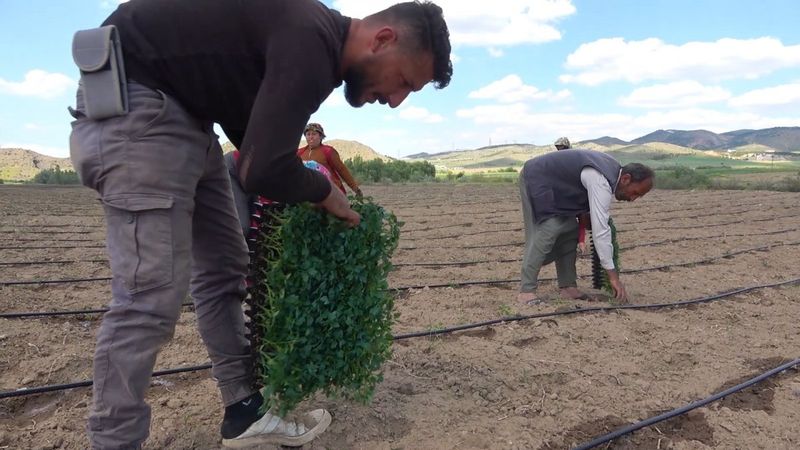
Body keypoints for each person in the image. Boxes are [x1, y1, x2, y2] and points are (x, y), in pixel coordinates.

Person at [68, 1, 452, 448]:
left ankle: (243, 410)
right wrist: (325, 192)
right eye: (404, 81)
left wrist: (302, 184)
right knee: (147, 296)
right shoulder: (311, 40)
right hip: (143, 110)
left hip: (190, 117)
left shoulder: (306, 37)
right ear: (382, 39)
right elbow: (262, 169)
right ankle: (113, 442)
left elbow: (255, 142)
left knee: (224, 271)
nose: (396, 100)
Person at [516, 149, 654, 305]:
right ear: (626, 179)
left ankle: (568, 287)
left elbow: (583, 195)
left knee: (570, 229)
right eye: (635, 192)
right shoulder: (601, 179)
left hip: (559, 188)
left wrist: (585, 213)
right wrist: (613, 277)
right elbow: (600, 231)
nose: (633, 198)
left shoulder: (611, 174)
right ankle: (526, 291)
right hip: (537, 177)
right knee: (550, 227)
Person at [299, 123, 363, 197]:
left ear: (320, 136)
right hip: (308, 194)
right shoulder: (299, 153)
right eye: (308, 134)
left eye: (314, 134)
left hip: (331, 192)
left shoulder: (328, 151)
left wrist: (355, 188)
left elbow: (342, 170)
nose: (311, 137)